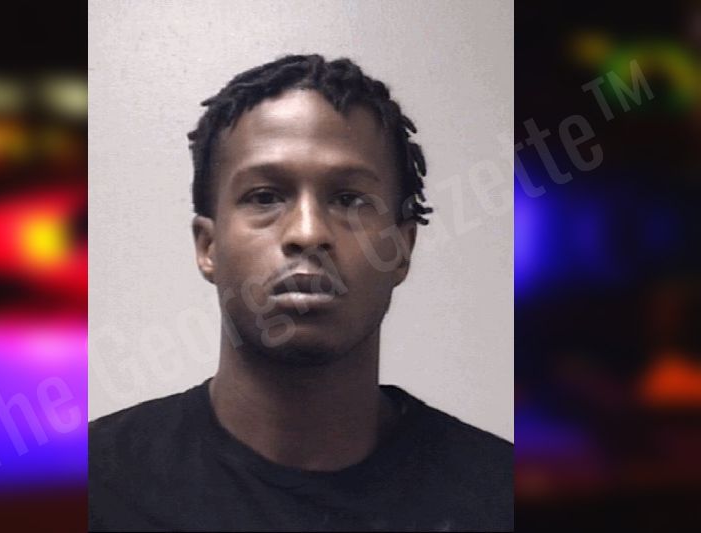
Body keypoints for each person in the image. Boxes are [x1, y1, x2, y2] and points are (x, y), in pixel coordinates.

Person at [89, 54, 513, 532]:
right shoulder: (92, 488)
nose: (308, 232)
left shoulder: (502, 497)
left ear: (401, 248)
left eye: (349, 199)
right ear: (208, 247)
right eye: (265, 197)